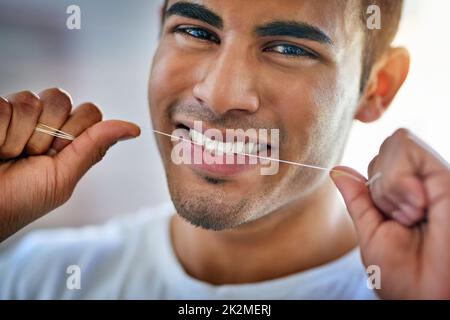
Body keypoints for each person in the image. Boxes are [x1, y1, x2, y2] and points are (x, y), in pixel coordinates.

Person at [0, 0, 449, 299]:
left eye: (290, 48)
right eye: (196, 32)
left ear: (377, 87)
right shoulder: (38, 277)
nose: (217, 95)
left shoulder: (417, 287)